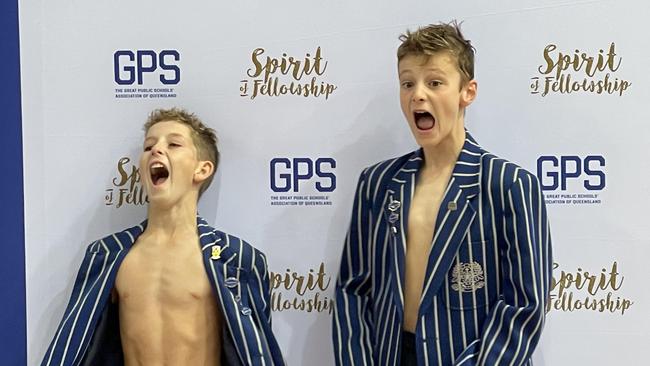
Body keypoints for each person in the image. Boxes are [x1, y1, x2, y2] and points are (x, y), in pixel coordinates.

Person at [332, 21, 552, 366]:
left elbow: (525, 304)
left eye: (434, 82)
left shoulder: (509, 184)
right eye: (408, 83)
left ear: (468, 91)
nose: (418, 94)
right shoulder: (377, 182)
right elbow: (353, 289)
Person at [41, 108, 285, 366]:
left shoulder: (236, 258)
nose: (156, 150)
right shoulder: (108, 255)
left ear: (202, 169)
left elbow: (257, 349)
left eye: (174, 144)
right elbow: (75, 342)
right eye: (148, 147)